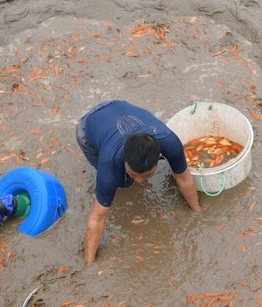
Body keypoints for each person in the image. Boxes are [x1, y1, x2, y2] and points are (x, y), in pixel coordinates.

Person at [76, 99, 201, 262]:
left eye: (147, 174)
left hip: (118, 106)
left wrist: (197, 211)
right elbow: (97, 218)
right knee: (123, 182)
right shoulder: (110, 163)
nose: (140, 181)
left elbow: (184, 177)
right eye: (134, 173)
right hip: (87, 127)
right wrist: (89, 262)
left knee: (129, 180)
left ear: (159, 158)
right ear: (124, 160)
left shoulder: (170, 142)